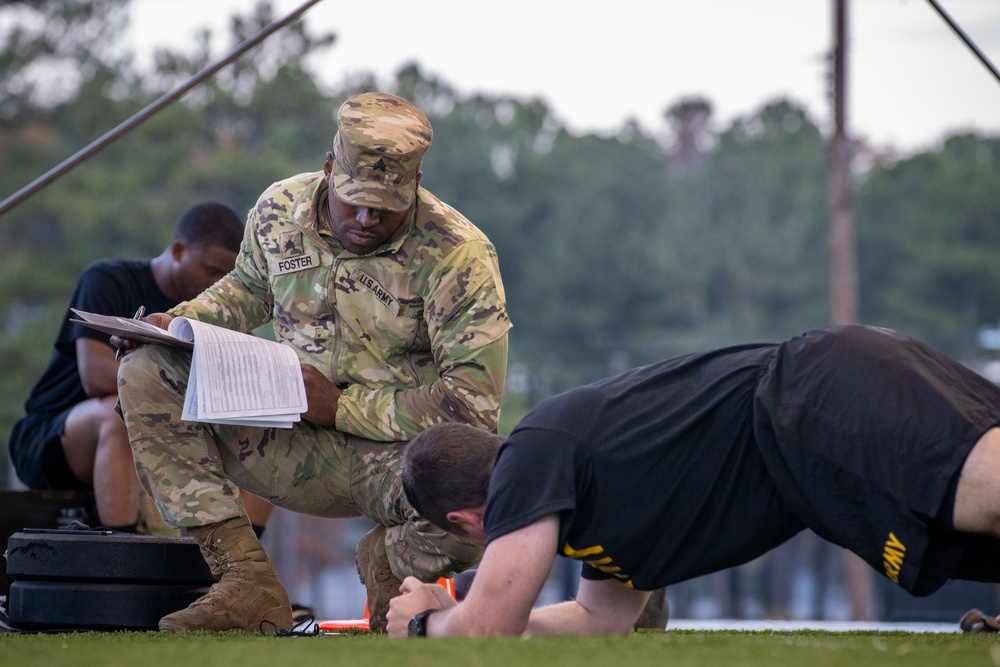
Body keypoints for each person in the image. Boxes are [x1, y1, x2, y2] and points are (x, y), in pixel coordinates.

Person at [114, 92, 510, 633]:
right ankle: (245, 582)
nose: (368, 218)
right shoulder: (279, 209)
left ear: (415, 185)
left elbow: (471, 406)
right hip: (286, 438)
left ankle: (391, 562)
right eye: (354, 201)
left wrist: (341, 406)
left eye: (386, 207)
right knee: (145, 370)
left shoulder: (459, 255)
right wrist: (176, 321)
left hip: (399, 465)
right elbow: (246, 291)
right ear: (329, 169)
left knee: (502, 490)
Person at [388, 324, 1000, 637]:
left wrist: (425, 624)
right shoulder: (589, 512)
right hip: (810, 453)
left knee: (986, 499)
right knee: (965, 534)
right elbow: (601, 619)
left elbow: (490, 626)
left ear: (468, 521)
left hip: (807, 391)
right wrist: (470, 621)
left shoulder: (529, 453)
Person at [6, 202, 277, 533]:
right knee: (122, 412)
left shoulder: (223, 313)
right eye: (211, 272)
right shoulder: (108, 280)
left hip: (167, 434)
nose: (218, 286)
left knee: (264, 423)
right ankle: (124, 555)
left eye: (228, 278)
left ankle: (242, 562)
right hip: (59, 437)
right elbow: (95, 378)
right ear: (178, 251)